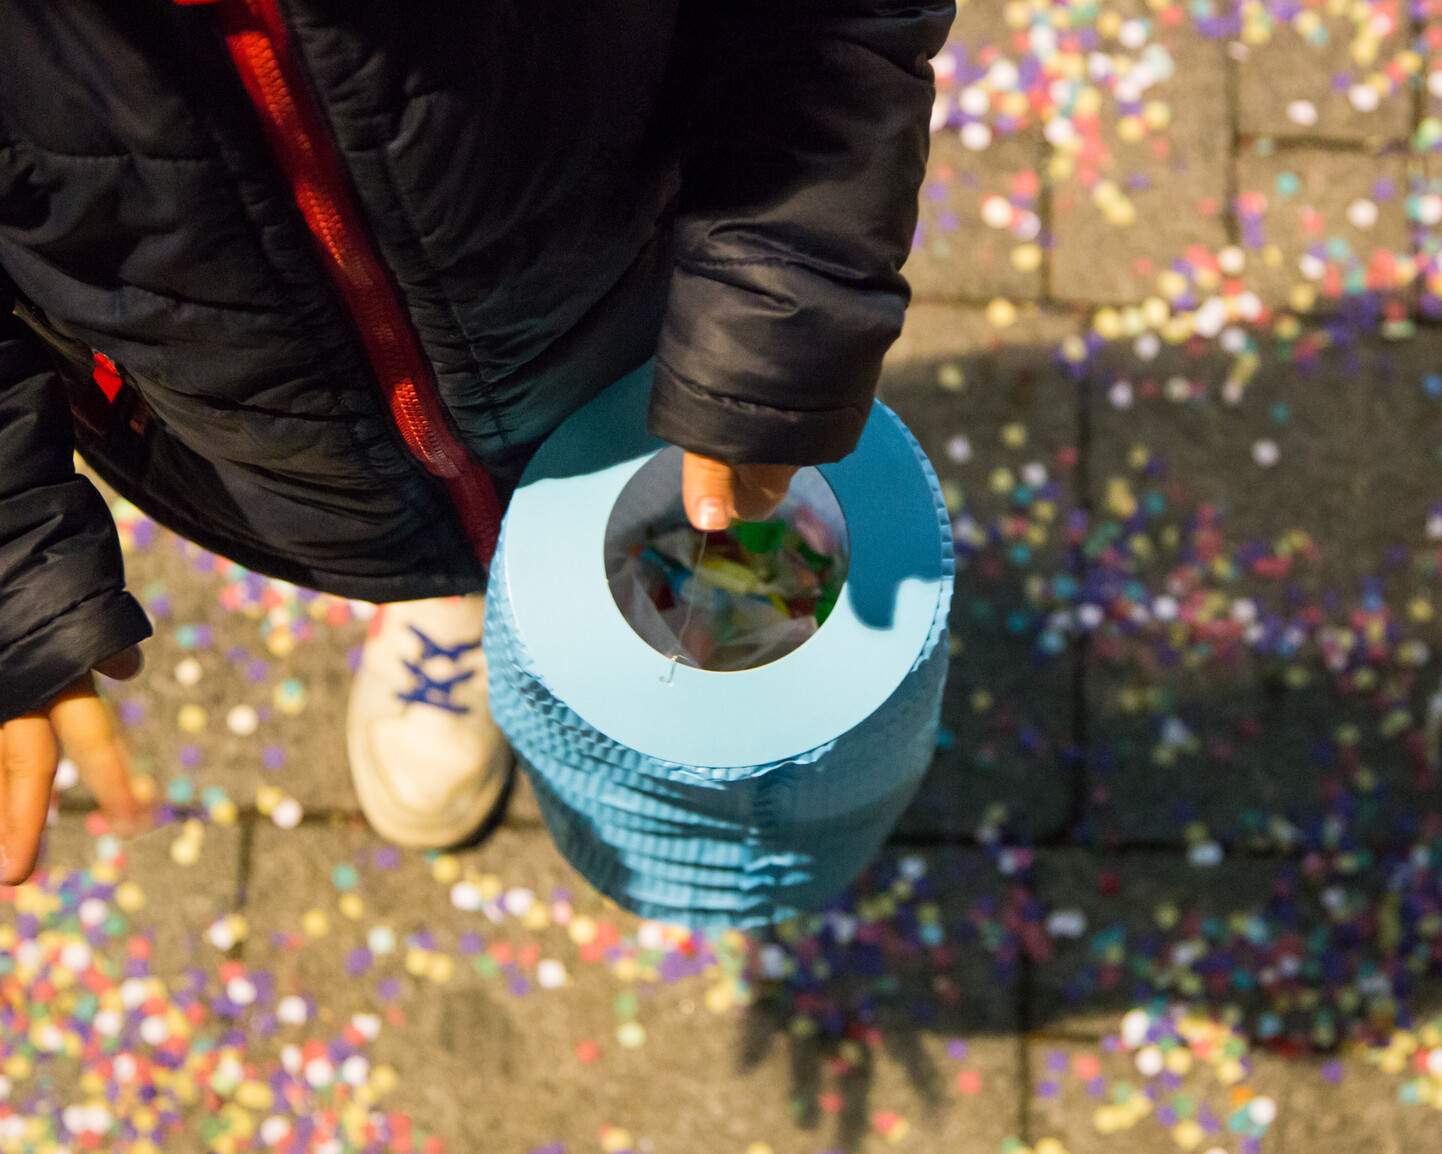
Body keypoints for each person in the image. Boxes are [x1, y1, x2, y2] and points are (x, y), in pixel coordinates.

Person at [0, 1, 953, 882]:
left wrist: (771, 308)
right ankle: (444, 598)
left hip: (596, 305)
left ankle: (517, 568)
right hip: (283, 436)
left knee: (627, 460)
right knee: (404, 530)